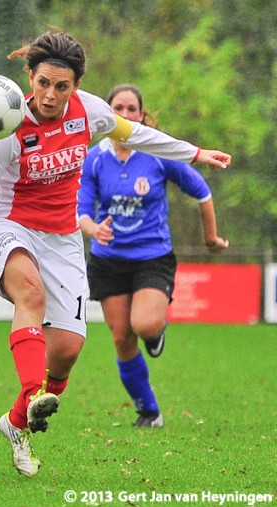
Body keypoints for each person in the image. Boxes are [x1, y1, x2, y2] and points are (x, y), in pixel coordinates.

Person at [0, 32, 231, 477]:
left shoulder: (91, 112)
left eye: (62, 86)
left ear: (75, 85)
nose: (50, 95)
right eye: (42, 84)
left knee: (68, 351)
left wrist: (194, 153)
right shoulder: (6, 126)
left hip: (61, 238)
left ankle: (16, 423)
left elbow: (139, 135)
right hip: (7, 225)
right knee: (31, 296)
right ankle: (32, 392)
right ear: (30, 78)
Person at [78, 84, 229, 428]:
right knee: (121, 338)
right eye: (119, 108)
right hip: (108, 259)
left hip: (152, 257)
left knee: (142, 324)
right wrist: (92, 229)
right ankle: (149, 411)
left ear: (142, 116)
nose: (126, 115)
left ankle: (156, 331)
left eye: (133, 109)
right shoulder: (94, 158)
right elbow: (82, 209)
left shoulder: (158, 154)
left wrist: (211, 239)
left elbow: (202, 192)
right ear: (107, 115)